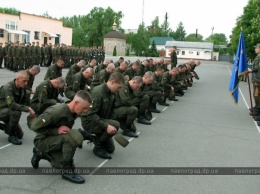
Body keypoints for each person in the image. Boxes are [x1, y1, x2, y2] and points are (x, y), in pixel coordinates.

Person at [29, 90, 94, 184]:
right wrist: (56, 130)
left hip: (55, 139)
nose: (85, 111)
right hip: (42, 140)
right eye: (84, 108)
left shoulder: (73, 111)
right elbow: (34, 126)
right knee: (70, 139)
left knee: (70, 141)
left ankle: (42, 154)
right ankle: (66, 171)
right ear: (76, 102)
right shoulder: (55, 112)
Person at [81, 72, 125, 159]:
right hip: (89, 122)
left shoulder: (112, 93)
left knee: (110, 149)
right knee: (115, 124)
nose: (119, 90)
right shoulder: (98, 92)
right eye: (119, 87)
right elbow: (90, 114)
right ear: (112, 82)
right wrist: (107, 125)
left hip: (100, 120)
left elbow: (112, 110)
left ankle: (87, 136)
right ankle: (98, 148)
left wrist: (110, 122)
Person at [0, 71, 35, 145]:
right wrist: (27, 109)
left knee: (20, 135)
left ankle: (4, 126)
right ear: (17, 79)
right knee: (16, 113)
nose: (26, 83)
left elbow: (26, 103)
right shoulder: (7, 88)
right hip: (2, 110)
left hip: (9, 112)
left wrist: (33, 110)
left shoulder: (22, 89)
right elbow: (11, 104)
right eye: (24, 81)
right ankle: (11, 136)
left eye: (27, 81)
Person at [248, 44, 260, 120]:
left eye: (257, 48)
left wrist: (251, 70)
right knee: (255, 95)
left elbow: (257, 68)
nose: (255, 49)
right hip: (256, 79)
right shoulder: (257, 57)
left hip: (258, 79)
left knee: (257, 95)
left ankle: (258, 109)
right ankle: (257, 107)